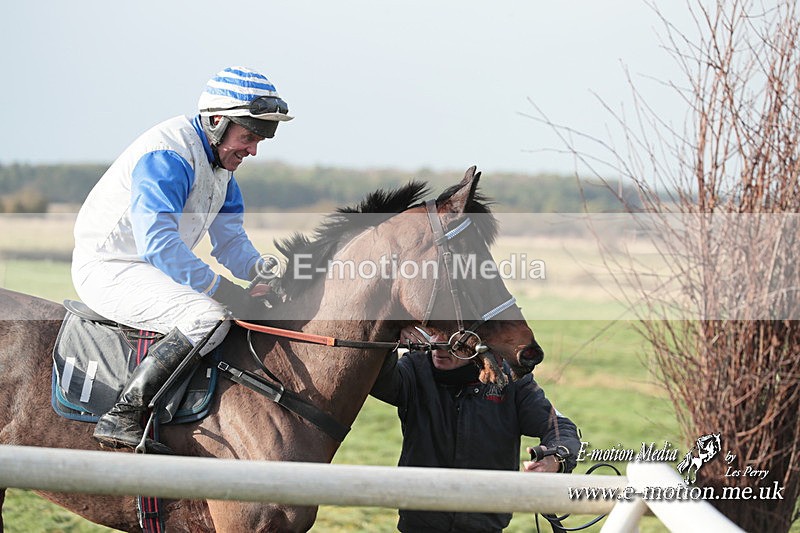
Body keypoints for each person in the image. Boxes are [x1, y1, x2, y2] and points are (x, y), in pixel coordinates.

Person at [71, 66, 293, 453]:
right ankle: (124, 414)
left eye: (260, 139)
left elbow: (230, 241)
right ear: (217, 121)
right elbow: (158, 243)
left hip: (148, 268)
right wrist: (223, 289)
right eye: (248, 137)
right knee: (208, 316)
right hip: (109, 268)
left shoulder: (222, 167)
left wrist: (262, 271)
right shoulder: (168, 156)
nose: (254, 150)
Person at [371, 328, 581, 533]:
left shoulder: (511, 379)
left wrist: (555, 459)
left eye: (449, 335)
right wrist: (390, 335)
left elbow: (561, 427)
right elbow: (376, 379)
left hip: (486, 524)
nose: (438, 344)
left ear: (478, 340)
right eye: (433, 332)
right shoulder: (414, 369)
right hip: (419, 523)